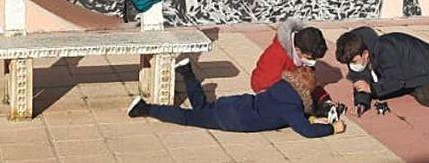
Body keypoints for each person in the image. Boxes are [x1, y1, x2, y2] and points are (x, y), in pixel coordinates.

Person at [128, 61, 343, 138]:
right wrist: (333, 129)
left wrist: (312, 117)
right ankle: (144, 108)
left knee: (201, 109)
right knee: (187, 117)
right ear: (306, 91)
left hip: (234, 104)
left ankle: (186, 71)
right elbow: (305, 130)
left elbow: (293, 115)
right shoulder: (293, 108)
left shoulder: (281, 86)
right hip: (235, 120)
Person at [335, 26, 429, 111]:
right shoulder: (354, 49)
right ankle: (408, 85)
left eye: (354, 61)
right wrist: (361, 102)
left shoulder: (386, 50)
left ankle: (417, 84)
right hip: (402, 68)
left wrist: (372, 88)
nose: (352, 65)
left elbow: (395, 79)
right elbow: (360, 81)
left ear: (365, 54)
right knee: (383, 86)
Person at [251, 20, 330, 106]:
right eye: (309, 58)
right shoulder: (276, 56)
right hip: (266, 88)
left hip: (287, 85)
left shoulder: (304, 47)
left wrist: (325, 99)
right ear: (297, 50)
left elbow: (308, 80)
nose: (312, 62)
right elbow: (264, 86)